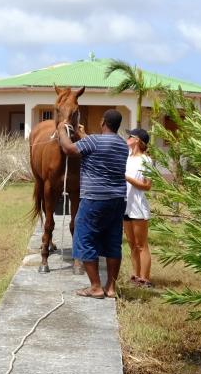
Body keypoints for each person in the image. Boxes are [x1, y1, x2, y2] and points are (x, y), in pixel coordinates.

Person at [57, 109, 129, 299]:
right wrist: (83, 135)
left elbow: (69, 149)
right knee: (113, 242)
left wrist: (61, 131)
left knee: (85, 238)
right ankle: (111, 288)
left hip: (94, 200)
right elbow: (99, 147)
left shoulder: (94, 141)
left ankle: (95, 287)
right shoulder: (123, 145)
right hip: (117, 201)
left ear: (103, 122)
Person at [123, 128, 154, 287]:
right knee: (131, 244)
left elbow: (147, 186)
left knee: (142, 245)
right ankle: (135, 276)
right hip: (125, 206)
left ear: (138, 140)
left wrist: (127, 178)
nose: (127, 138)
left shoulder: (146, 160)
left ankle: (145, 278)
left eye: (130, 136)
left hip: (138, 207)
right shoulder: (127, 157)